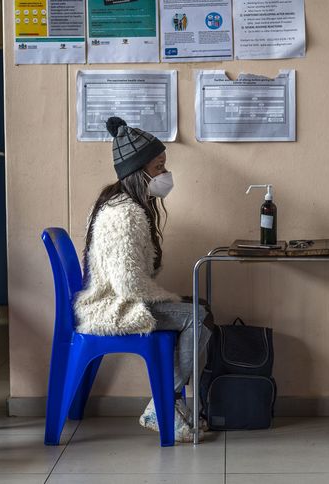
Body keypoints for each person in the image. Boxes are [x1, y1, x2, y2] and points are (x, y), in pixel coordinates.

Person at [73, 117, 212, 443]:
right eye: (159, 167)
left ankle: (171, 404)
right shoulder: (125, 213)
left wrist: (171, 298)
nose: (165, 174)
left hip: (116, 295)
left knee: (199, 309)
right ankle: (166, 402)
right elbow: (129, 285)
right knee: (198, 315)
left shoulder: (118, 200)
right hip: (115, 305)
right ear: (139, 171)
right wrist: (171, 299)